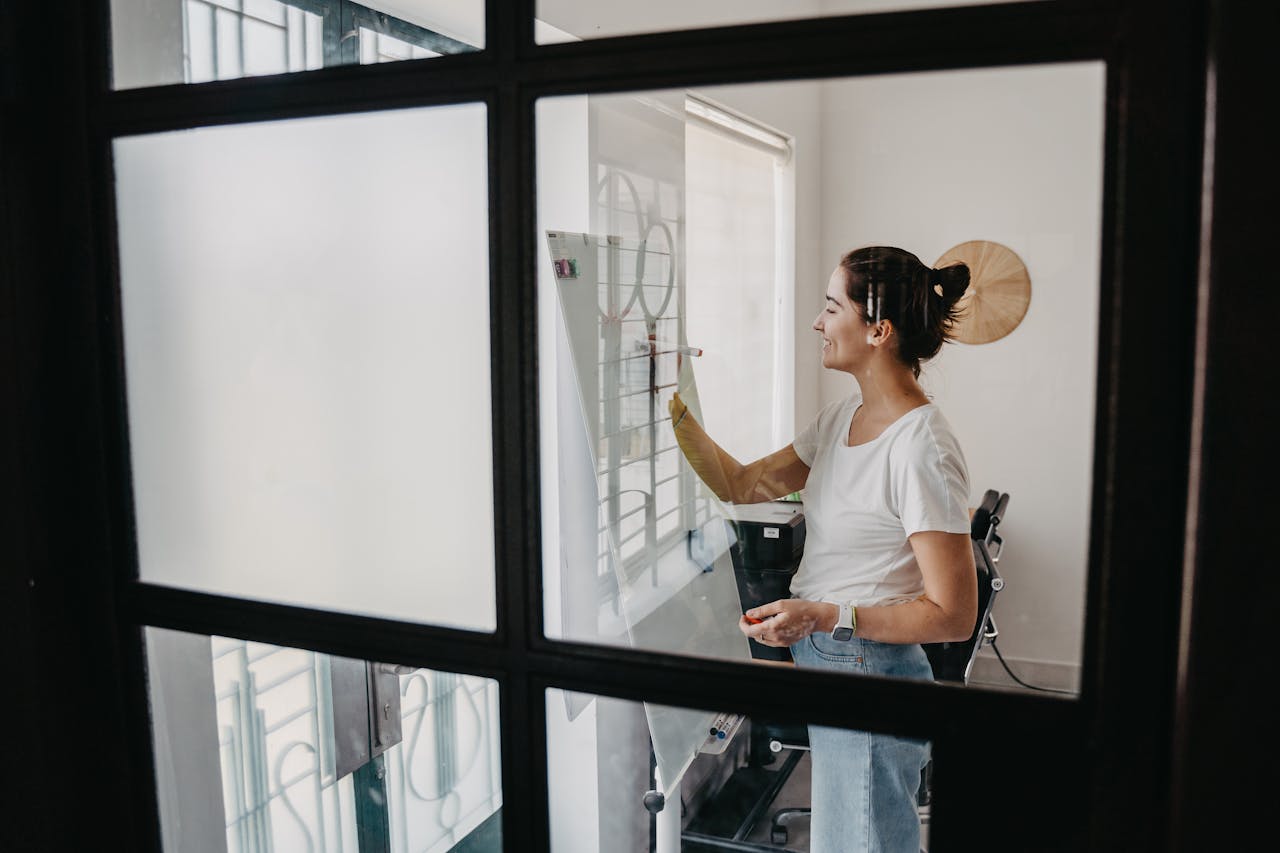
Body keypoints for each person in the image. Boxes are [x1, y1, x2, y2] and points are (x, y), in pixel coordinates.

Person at [668, 245, 977, 853]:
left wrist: (825, 615)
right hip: (831, 662)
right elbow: (744, 484)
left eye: (832, 307)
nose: (817, 321)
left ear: (878, 330)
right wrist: (673, 404)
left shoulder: (921, 449)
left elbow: (953, 614)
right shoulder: (842, 418)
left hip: (870, 667)